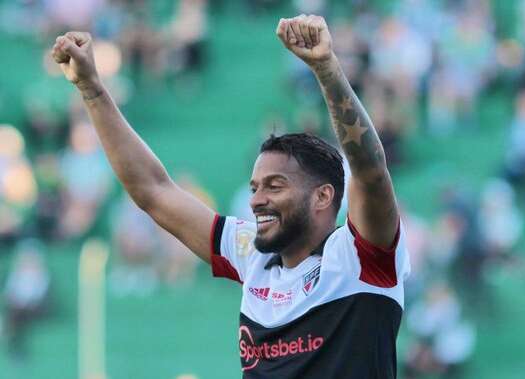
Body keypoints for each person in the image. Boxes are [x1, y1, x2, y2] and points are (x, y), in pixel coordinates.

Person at [51, 14, 410, 378]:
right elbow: (153, 191)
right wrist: (92, 90)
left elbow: (369, 169)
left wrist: (326, 69)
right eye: (255, 188)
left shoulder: (360, 259)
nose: (256, 200)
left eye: (275, 185)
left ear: (322, 196)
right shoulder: (253, 256)